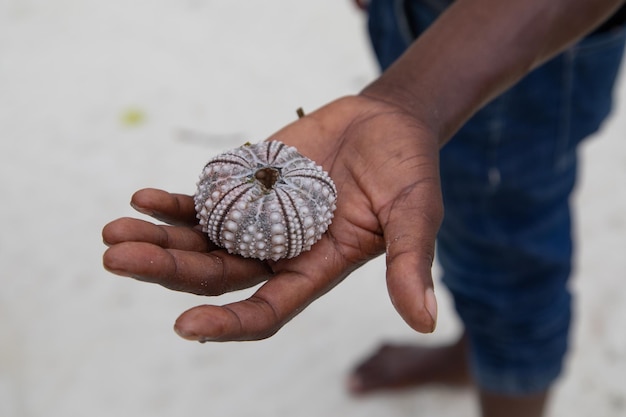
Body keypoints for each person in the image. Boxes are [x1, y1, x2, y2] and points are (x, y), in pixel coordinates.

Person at [102, 1, 626, 416]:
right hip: (411, 21)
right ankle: (475, 351)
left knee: (508, 263)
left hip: (535, 39)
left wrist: (409, 100)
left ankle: (505, 376)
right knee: (472, 233)